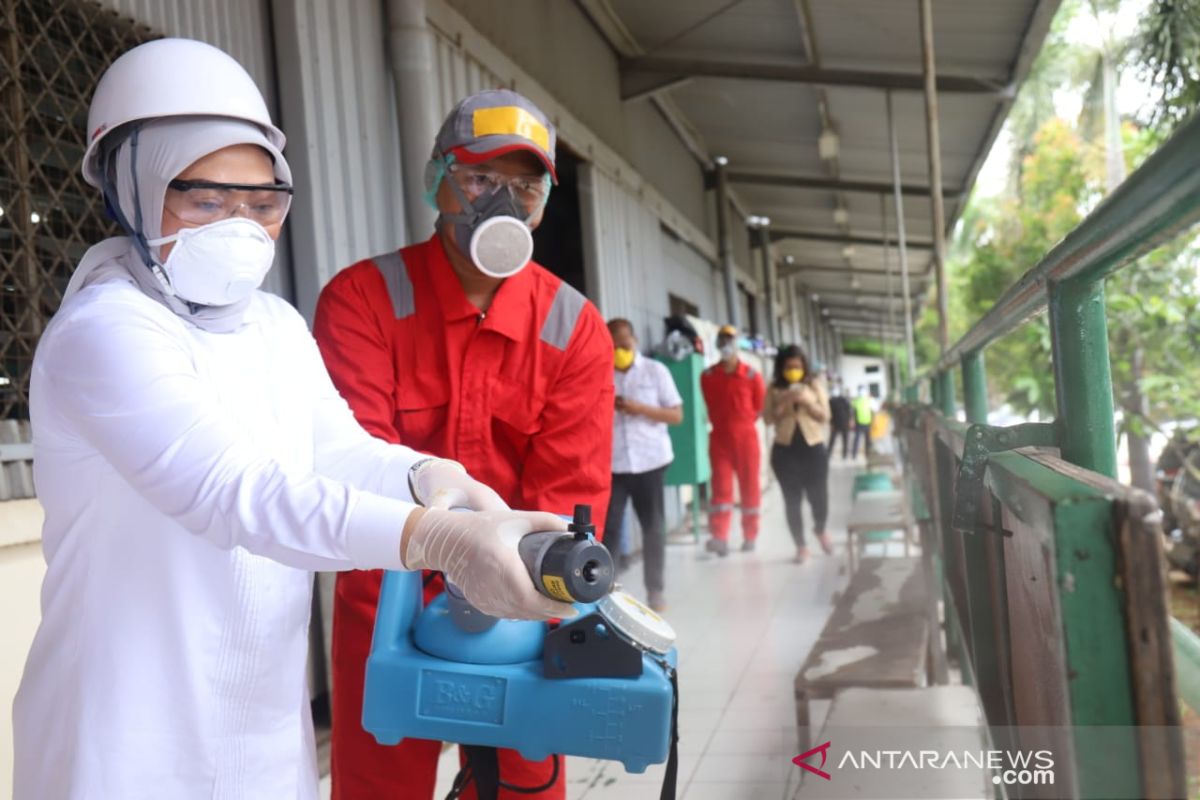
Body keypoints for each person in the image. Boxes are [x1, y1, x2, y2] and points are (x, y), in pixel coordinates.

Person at [12, 40, 574, 800]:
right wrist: (436, 538)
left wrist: (427, 477)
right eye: (207, 200)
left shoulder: (271, 325)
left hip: (261, 736)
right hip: (128, 739)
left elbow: (332, 450)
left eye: (263, 203)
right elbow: (234, 492)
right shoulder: (105, 332)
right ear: (131, 189)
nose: (241, 228)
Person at [313, 89, 613, 800]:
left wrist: (519, 589)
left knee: (526, 785)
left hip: (524, 601)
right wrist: (444, 562)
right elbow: (357, 466)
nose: (503, 204)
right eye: (481, 180)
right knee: (380, 786)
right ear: (438, 181)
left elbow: (567, 498)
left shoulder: (571, 327)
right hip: (384, 597)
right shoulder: (363, 301)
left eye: (526, 186)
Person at [605, 318, 683, 611]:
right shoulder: (602, 372)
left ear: (634, 340)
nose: (620, 352)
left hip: (650, 460)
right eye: (614, 348)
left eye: (624, 345)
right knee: (609, 527)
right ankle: (604, 591)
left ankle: (655, 591)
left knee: (652, 527)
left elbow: (676, 415)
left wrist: (639, 408)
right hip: (614, 464)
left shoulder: (655, 371)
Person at [764, 346, 833, 563]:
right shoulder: (774, 388)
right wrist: (785, 400)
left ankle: (820, 529)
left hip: (813, 448)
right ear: (781, 368)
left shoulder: (814, 385)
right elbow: (767, 418)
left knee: (819, 496)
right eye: (788, 367)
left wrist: (807, 401)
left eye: (797, 366)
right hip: (785, 451)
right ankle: (800, 546)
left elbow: (825, 416)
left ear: (804, 366)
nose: (793, 370)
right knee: (791, 500)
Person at [700, 325, 765, 556]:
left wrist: (742, 422)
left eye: (730, 339)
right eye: (722, 339)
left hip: (746, 438)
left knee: (750, 488)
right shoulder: (707, 376)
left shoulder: (751, 375)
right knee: (721, 489)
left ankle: (750, 534)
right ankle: (720, 536)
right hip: (719, 439)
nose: (726, 344)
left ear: (738, 344)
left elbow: (759, 407)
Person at [828, 379, 852, 460]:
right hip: (835, 424)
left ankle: (844, 455)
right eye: (833, 389)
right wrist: (831, 424)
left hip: (844, 423)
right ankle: (828, 454)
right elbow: (829, 414)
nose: (835, 391)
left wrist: (850, 421)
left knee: (845, 440)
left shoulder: (844, 400)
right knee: (832, 440)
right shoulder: (830, 401)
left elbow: (849, 411)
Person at [851, 386, 875, 459]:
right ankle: (854, 454)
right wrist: (852, 421)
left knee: (868, 440)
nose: (862, 392)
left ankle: (868, 455)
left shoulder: (869, 400)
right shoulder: (856, 401)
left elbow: (874, 410)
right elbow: (852, 411)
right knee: (857, 439)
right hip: (859, 423)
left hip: (867, 422)